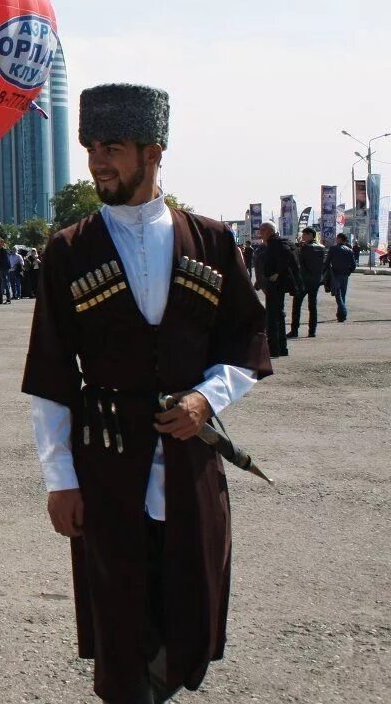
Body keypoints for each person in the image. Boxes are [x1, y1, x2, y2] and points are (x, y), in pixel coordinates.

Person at [22, 83, 271, 704]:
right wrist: (60, 480)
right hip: (107, 464)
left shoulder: (211, 242)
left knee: (190, 608)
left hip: (191, 465)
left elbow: (247, 340)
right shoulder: (69, 252)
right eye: (90, 148)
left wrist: (207, 399)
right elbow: (51, 375)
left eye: (112, 147)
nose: (97, 161)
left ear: (153, 152)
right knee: (120, 621)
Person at [254, 221, 298, 358]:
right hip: (272, 284)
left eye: (262, 231)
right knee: (277, 314)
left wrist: (277, 273)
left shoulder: (277, 244)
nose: (260, 234)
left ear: (268, 231)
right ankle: (281, 348)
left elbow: (286, 257)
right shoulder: (270, 245)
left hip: (276, 284)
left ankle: (274, 349)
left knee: (273, 317)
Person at [289, 227, 325, 339]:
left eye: (305, 234)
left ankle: (294, 330)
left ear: (311, 235)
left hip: (304, 280)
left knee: (297, 306)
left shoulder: (304, 248)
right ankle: (312, 331)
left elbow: (299, 264)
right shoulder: (321, 248)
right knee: (312, 306)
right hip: (315, 280)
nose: (303, 236)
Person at [323, 232, 357, 322]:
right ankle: (340, 315)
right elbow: (353, 265)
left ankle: (343, 312)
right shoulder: (349, 250)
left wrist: (323, 272)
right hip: (345, 275)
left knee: (337, 294)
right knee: (342, 294)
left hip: (335, 274)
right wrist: (348, 272)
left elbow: (327, 262)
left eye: (337, 238)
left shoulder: (333, 249)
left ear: (339, 239)